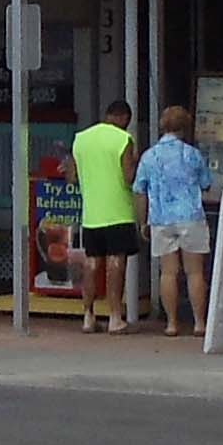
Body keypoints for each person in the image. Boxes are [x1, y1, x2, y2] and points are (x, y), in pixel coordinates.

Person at [133, 104, 213, 337]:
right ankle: (199, 323)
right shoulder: (192, 154)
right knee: (195, 272)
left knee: (168, 272)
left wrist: (143, 221)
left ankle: (171, 323)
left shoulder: (149, 156)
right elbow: (206, 183)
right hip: (190, 216)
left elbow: (140, 190)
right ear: (185, 127)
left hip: (161, 218)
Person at [64, 99, 140, 334]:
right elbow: (128, 177)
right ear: (124, 118)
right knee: (116, 263)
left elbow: (71, 177)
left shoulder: (81, 138)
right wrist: (137, 163)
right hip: (119, 212)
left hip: (91, 214)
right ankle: (115, 317)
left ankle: (88, 315)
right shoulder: (123, 140)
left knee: (92, 263)